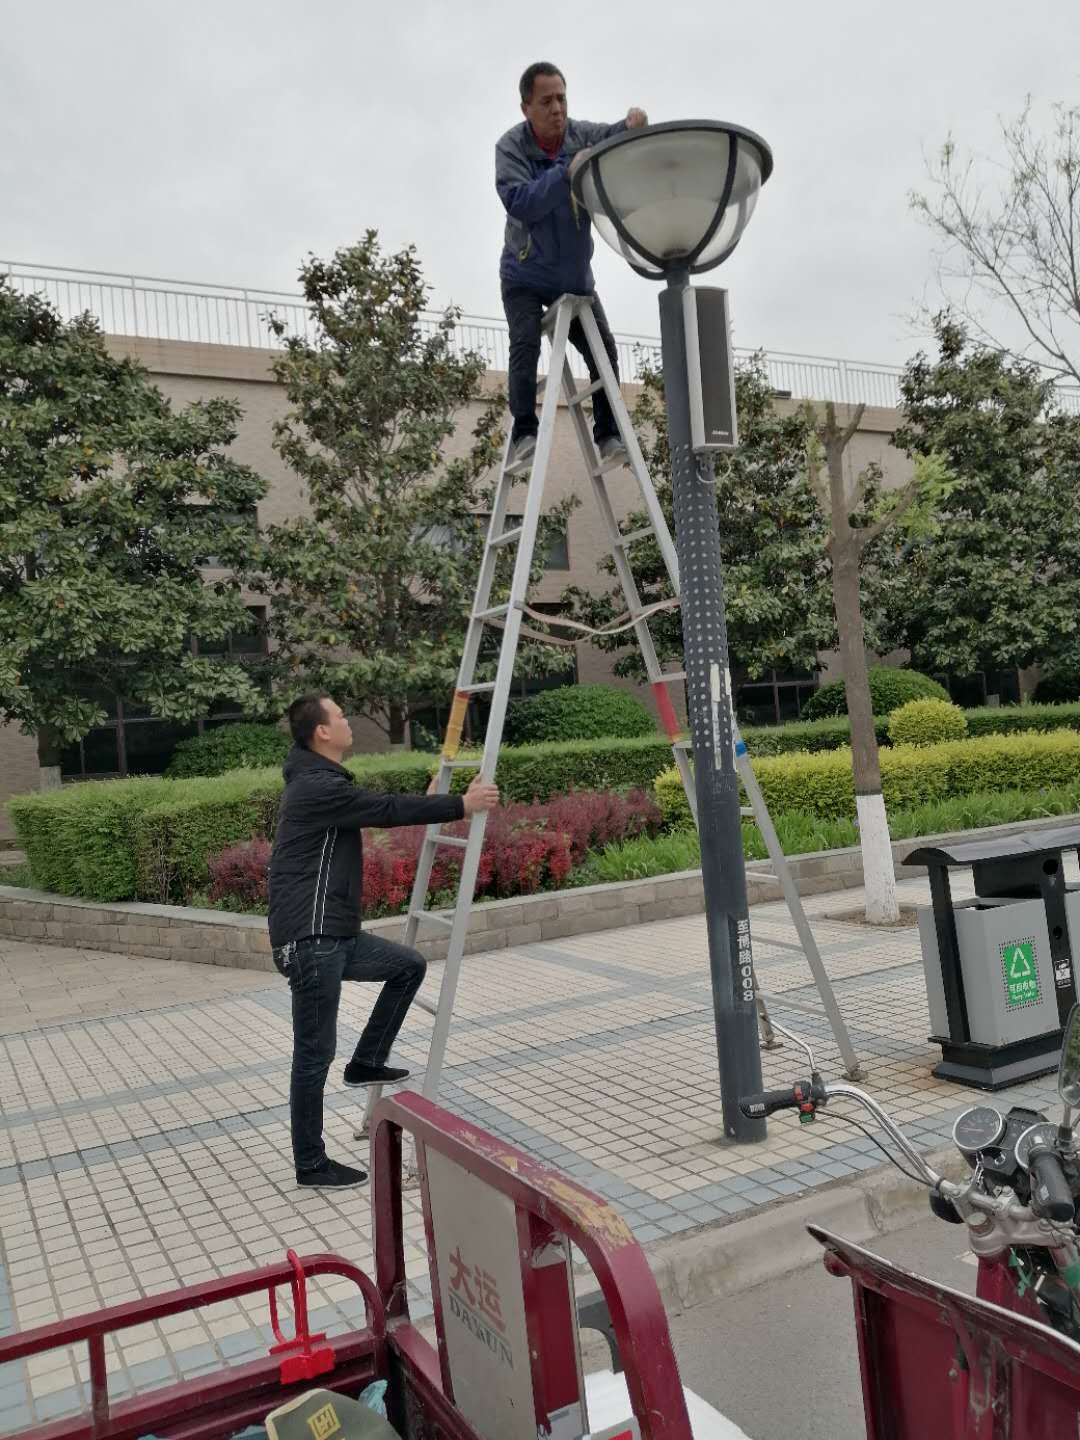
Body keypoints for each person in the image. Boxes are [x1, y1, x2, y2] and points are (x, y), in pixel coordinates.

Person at [268, 694, 499, 1190]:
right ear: (322, 732)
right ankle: (311, 1164)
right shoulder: (315, 787)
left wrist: (433, 801)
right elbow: (382, 808)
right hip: (312, 941)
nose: (347, 721)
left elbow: (379, 805)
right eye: (340, 716)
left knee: (407, 966)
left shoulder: (321, 781)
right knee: (313, 1056)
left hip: (333, 936)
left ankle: (366, 1061)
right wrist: (460, 804)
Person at [496, 62, 648, 469]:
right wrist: (566, 173)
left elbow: (611, 137)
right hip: (524, 274)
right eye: (546, 101)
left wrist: (631, 125)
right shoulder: (510, 148)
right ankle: (525, 431)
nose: (557, 108)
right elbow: (521, 203)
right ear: (526, 107)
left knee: (604, 350)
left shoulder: (579, 135)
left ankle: (608, 435)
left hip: (573, 275)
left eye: (562, 98)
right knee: (525, 343)